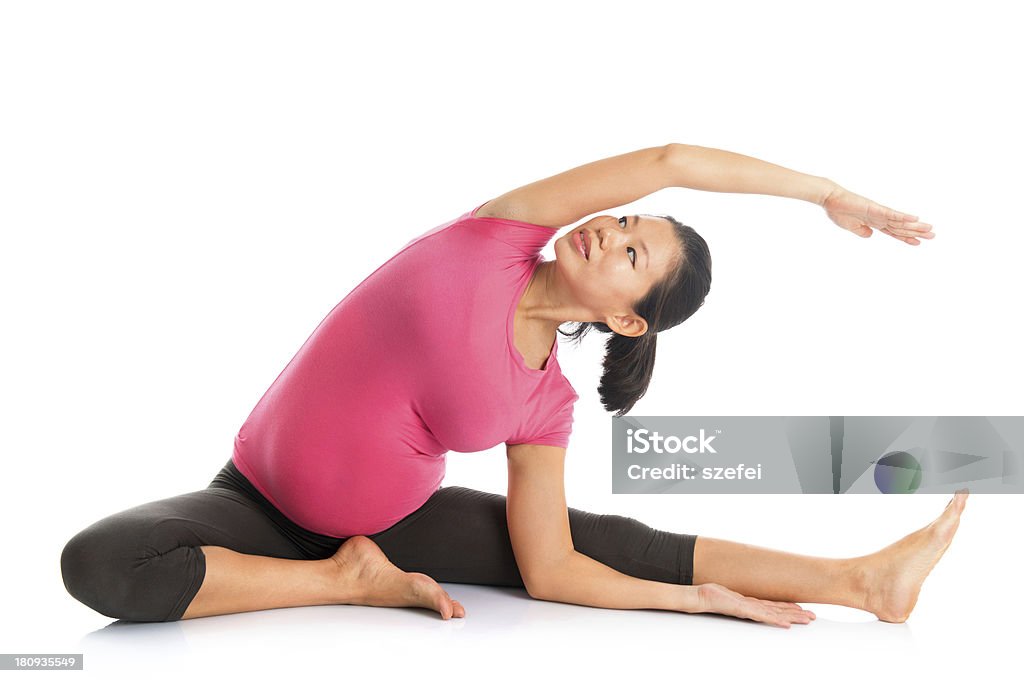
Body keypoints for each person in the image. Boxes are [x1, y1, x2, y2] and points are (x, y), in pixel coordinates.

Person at [60, 143, 965, 629]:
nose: (608, 232)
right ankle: (343, 583)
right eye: (620, 221)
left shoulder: (547, 404)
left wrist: (692, 601)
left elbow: (554, 567)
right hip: (252, 502)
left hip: (398, 522)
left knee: (608, 537)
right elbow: (671, 160)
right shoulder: (491, 236)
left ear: (627, 319)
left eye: (631, 252)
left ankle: (863, 581)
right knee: (100, 565)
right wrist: (825, 193)